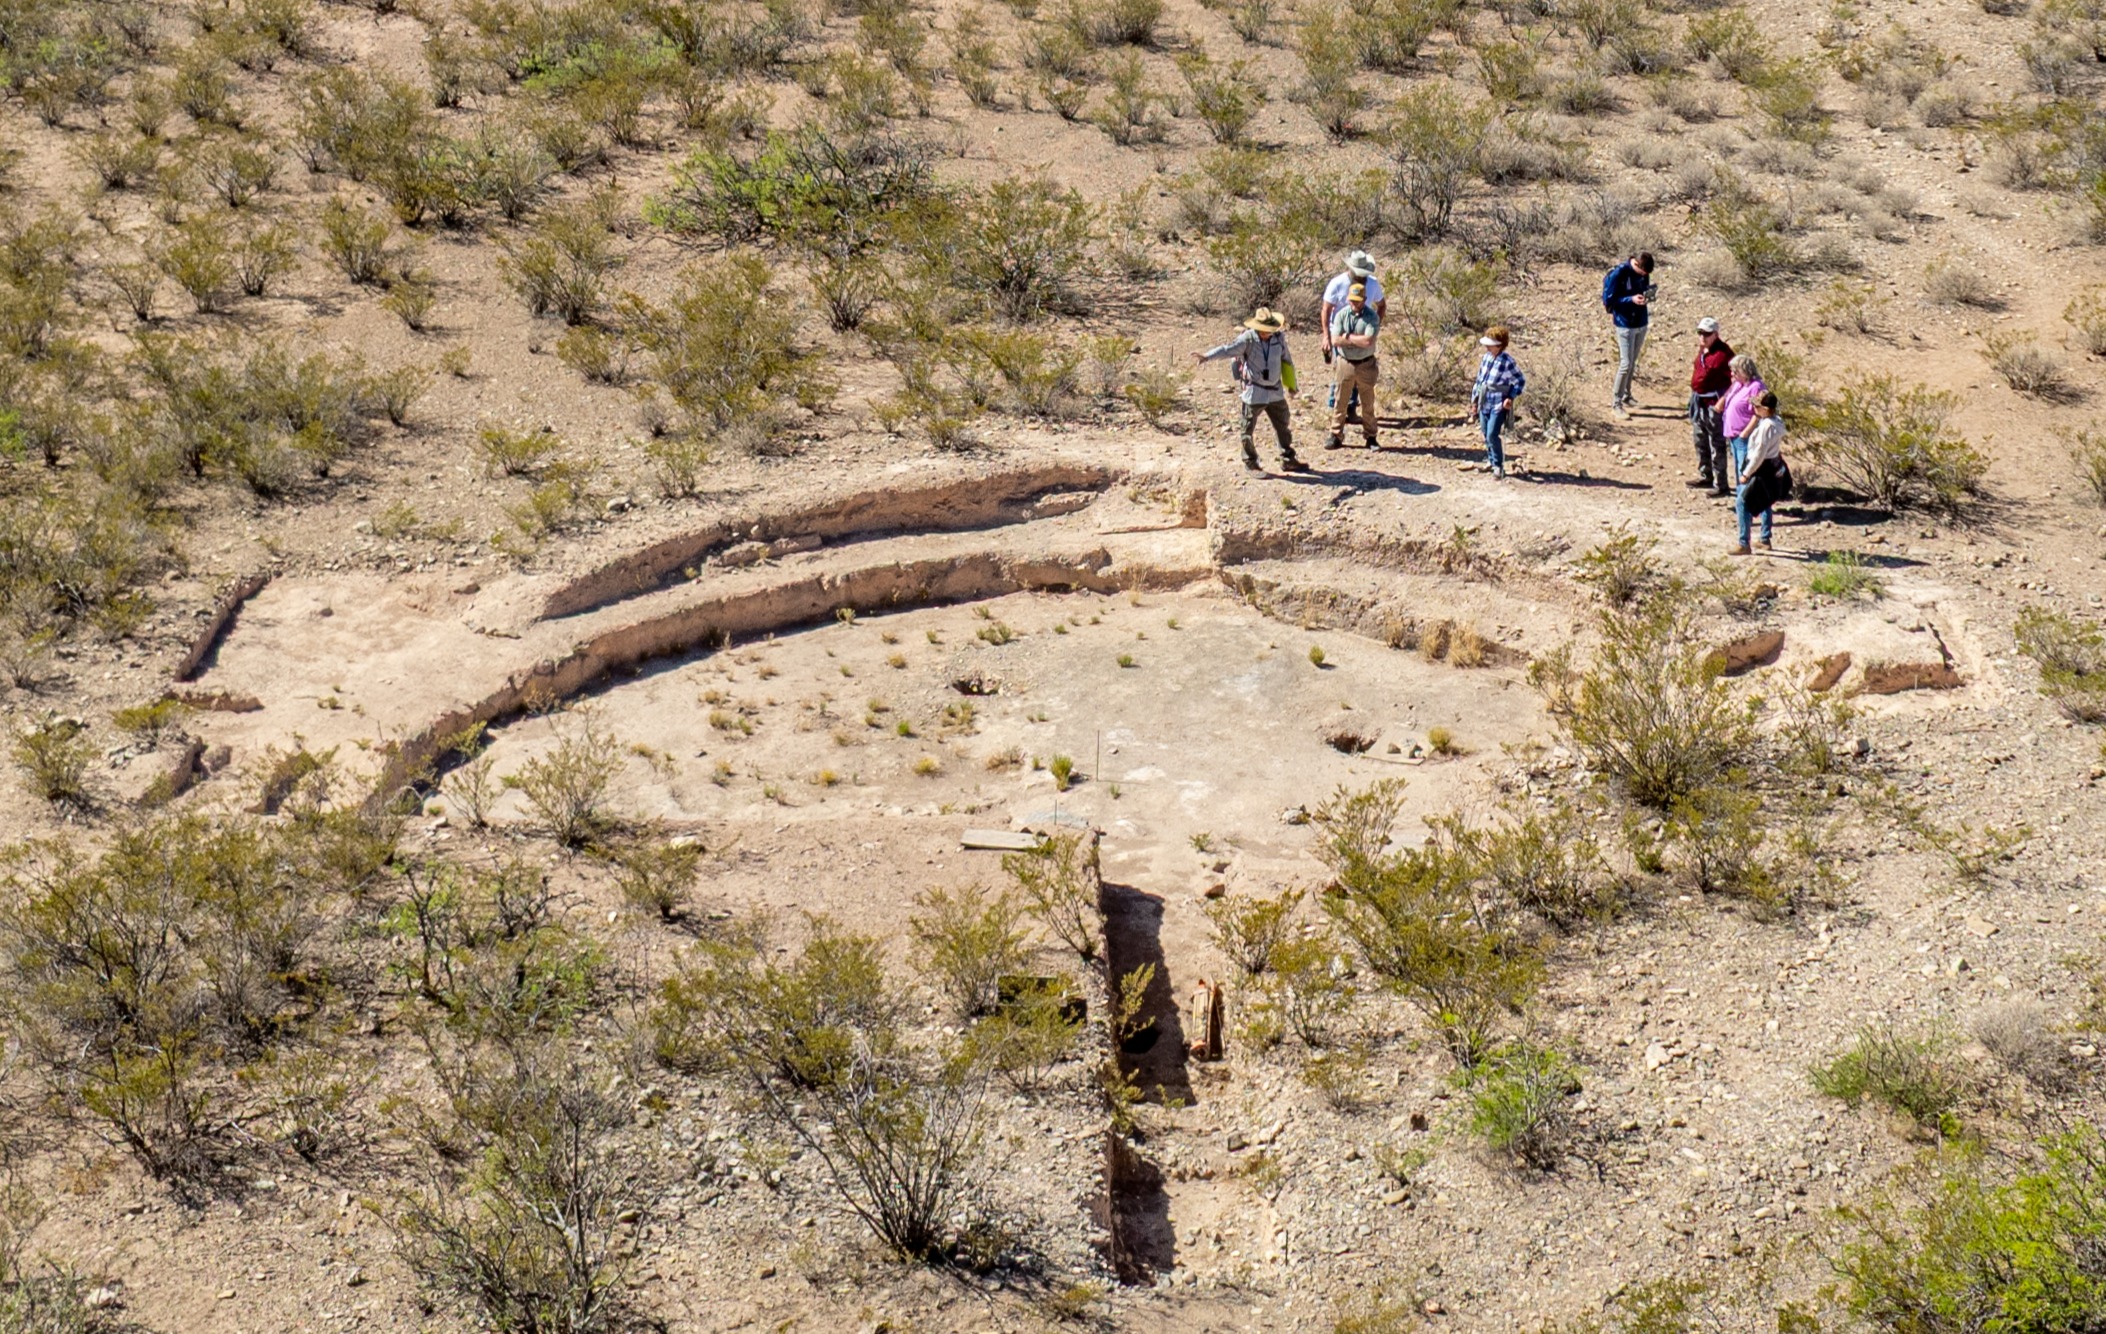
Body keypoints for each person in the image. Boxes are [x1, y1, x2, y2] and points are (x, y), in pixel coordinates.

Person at [1195, 306, 1310, 473]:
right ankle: (1250, 462)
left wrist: (1292, 385)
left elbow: (1286, 361)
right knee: (1247, 429)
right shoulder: (1247, 339)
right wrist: (1207, 356)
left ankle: (1288, 459)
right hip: (1254, 392)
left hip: (1275, 391)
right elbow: (1227, 350)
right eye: (1264, 330)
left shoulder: (1278, 338)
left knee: (1283, 426)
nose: (1267, 333)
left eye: (1269, 329)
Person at [1320, 250, 1386, 424]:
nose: (1364, 277)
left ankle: (1350, 408)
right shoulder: (1337, 283)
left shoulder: (1372, 284)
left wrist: (1375, 324)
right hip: (1340, 333)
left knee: (1360, 368)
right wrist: (1326, 336)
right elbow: (1326, 309)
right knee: (1342, 371)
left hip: (1362, 331)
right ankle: (1336, 407)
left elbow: (1381, 304)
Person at [1730, 391, 1788, 555]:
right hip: (1770, 467)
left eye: (1756, 405)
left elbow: (1759, 454)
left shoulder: (1767, 427)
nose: (1753, 407)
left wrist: (1746, 474)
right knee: (1765, 501)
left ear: (1764, 408)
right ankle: (1764, 538)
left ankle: (1743, 543)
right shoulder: (1775, 422)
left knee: (1742, 502)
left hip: (1761, 469)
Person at [1327, 283, 1381, 450]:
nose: (1354, 303)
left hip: (1366, 364)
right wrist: (1356, 339)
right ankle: (1336, 434)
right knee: (1340, 401)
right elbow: (1335, 340)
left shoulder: (1372, 317)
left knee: (1367, 402)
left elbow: (1368, 341)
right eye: (1351, 300)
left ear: (1364, 300)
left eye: (1357, 300)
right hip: (1345, 363)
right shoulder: (1341, 315)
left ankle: (1371, 437)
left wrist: (1347, 337)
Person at [1468, 325, 1525, 480]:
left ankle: (1498, 465)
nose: (1487, 346)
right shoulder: (1486, 358)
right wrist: (1474, 400)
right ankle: (1491, 461)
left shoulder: (1507, 361)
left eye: (1490, 344)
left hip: (1498, 403)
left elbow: (1519, 381)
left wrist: (1511, 397)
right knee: (1486, 432)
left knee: (1493, 433)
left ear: (1499, 345)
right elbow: (1479, 381)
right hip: (1484, 401)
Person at [1600, 251, 1654, 415]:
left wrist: (1647, 296)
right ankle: (1616, 403)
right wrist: (1630, 299)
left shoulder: (1644, 274)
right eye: (1643, 272)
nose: (1644, 276)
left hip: (1640, 321)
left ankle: (1627, 395)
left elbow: (1643, 288)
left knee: (1633, 362)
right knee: (1625, 363)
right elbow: (1609, 300)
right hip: (1624, 324)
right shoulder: (1619, 273)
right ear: (1636, 264)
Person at [1687, 316, 1734, 495]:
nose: (1702, 337)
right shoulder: (1703, 350)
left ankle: (1721, 484)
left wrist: (1723, 400)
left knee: (1717, 443)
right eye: (1700, 333)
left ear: (1715, 334)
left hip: (1713, 404)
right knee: (1700, 440)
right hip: (1699, 401)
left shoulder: (1724, 355)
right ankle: (1705, 475)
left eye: (1706, 334)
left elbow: (1736, 382)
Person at [1717, 354, 1766, 483]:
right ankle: (1741, 500)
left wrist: (1746, 432)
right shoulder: (1740, 385)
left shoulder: (1756, 387)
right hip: (1734, 434)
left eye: (1735, 371)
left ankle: (1746, 501)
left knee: (1745, 471)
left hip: (1744, 436)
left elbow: (1759, 412)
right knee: (1739, 470)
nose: (1732, 374)